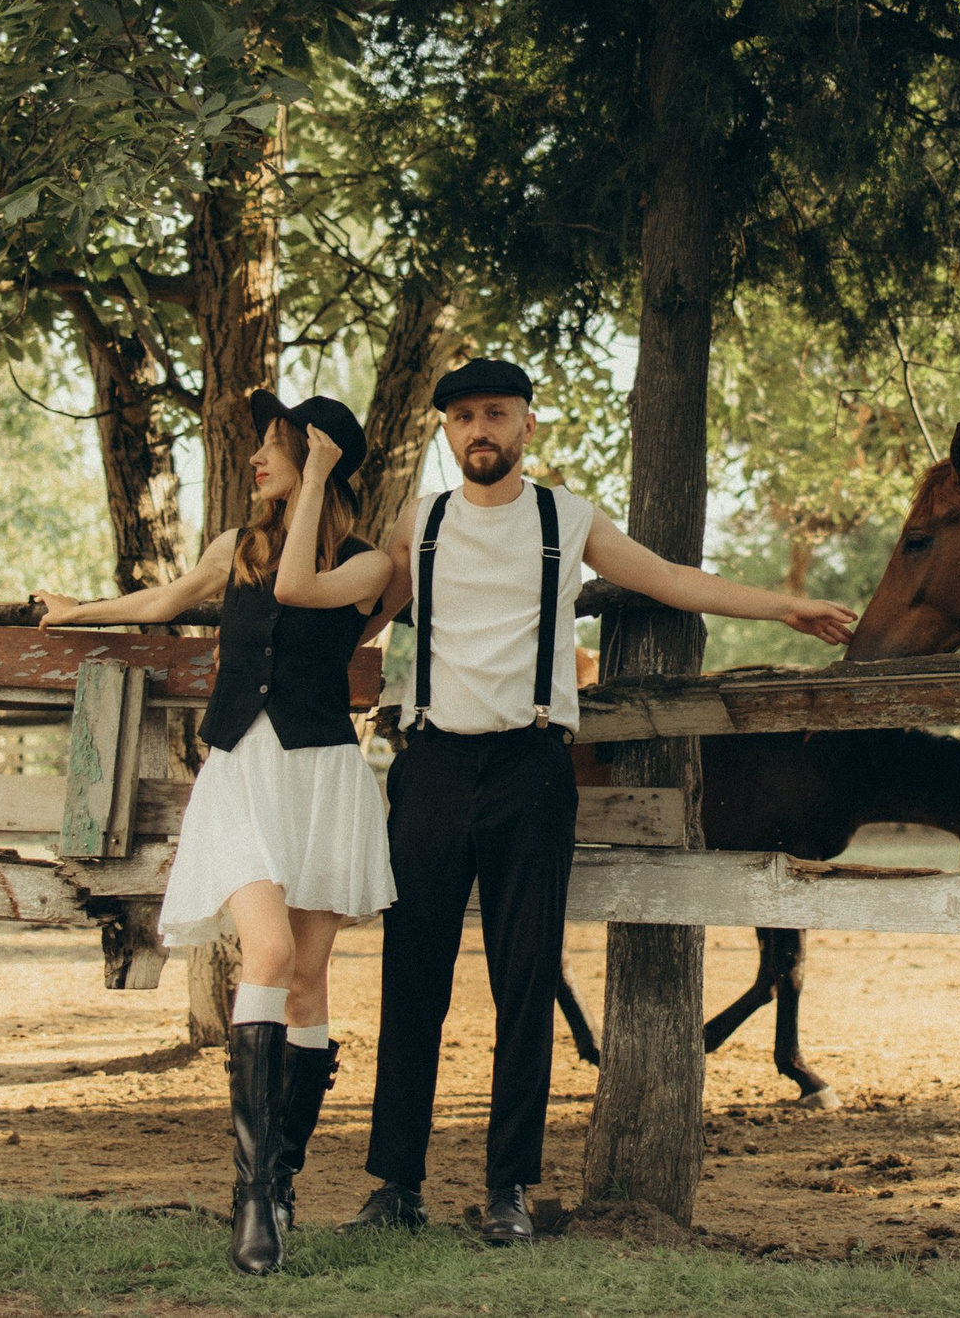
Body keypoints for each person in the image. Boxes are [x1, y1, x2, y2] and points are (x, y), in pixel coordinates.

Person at [345, 357, 856, 1245]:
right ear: (446, 433)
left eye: (496, 414)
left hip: (531, 770)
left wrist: (783, 607)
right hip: (427, 767)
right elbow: (353, 615)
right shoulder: (417, 524)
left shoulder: (564, 518)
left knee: (525, 980)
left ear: (526, 426)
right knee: (413, 979)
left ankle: (508, 1187)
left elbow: (668, 578)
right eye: (463, 417)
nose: (479, 431)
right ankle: (396, 1184)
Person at [35, 392, 396, 1276]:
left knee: (308, 983)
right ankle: (250, 1197)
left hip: (320, 778)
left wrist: (314, 474)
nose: (255, 463)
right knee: (267, 953)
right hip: (240, 773)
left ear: (318, 458)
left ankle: (278, 1182)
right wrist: (74, 609)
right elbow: (166, 599)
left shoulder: (368, 563)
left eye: (274, 448)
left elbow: (300, 589)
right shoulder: (233, 549)